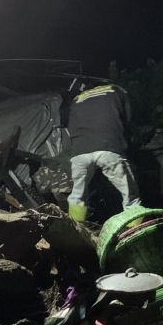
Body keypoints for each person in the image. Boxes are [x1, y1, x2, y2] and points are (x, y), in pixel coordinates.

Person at [64, 82, 141, 222]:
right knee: (131, 198)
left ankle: (75, 231)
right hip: (108, 147)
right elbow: (128, 120)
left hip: (79, 151)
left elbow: (68, 126)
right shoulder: (118, 90)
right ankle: (135, 233)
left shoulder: (77, 99)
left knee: (78, 197)